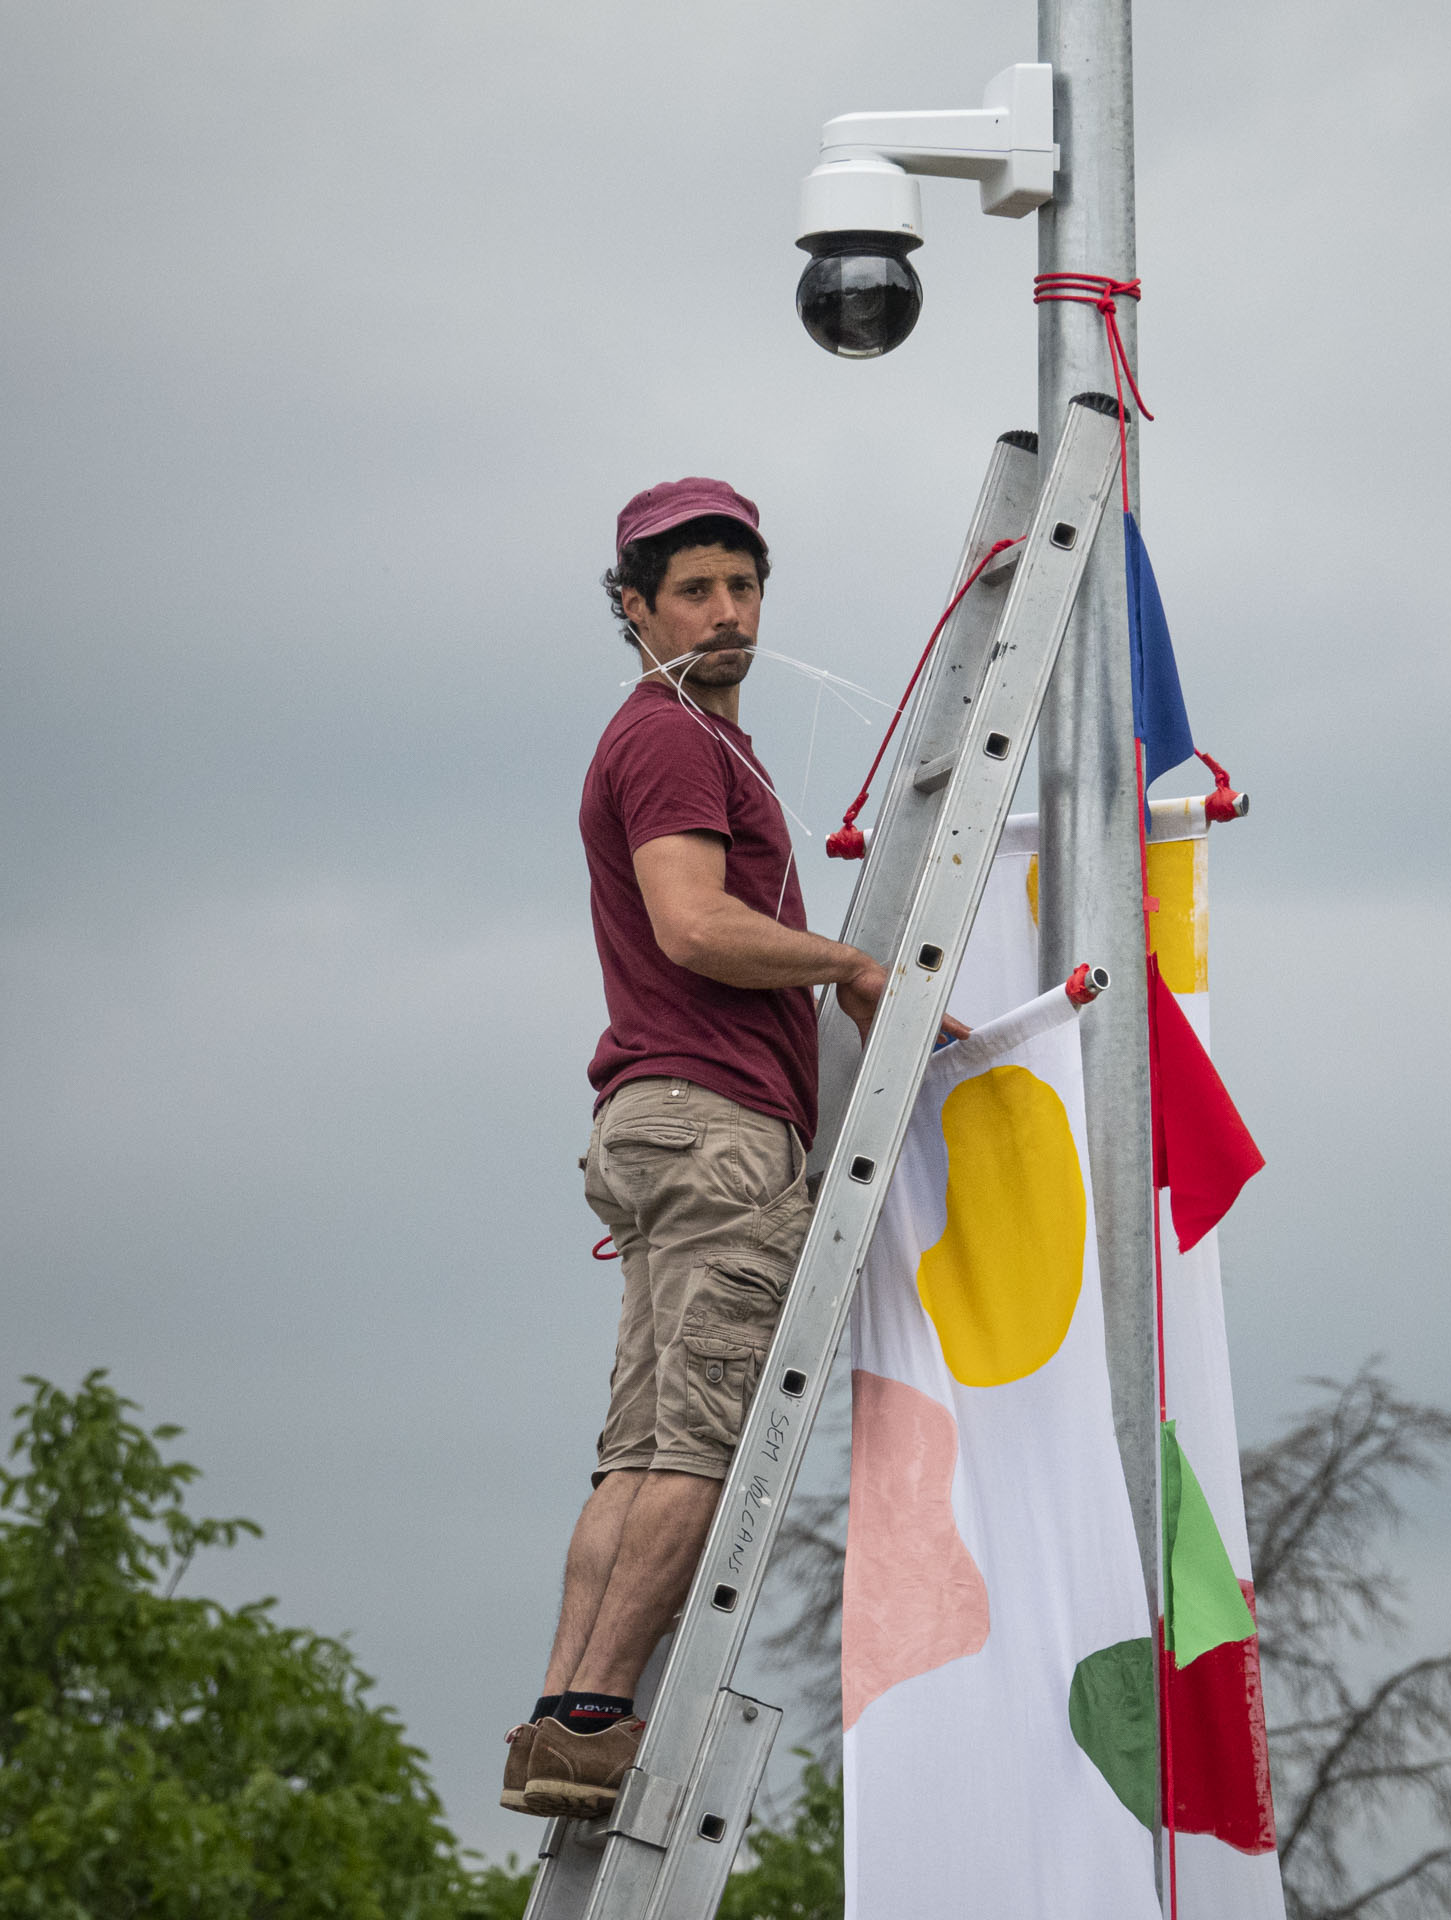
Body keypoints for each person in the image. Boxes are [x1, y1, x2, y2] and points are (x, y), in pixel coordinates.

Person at [503, 477, 909, 1818]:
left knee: (639, 1449)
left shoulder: (682, 741)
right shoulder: (672, 739)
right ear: (635, 609)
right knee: (708, 1446)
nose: (729, 611)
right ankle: (597, 1711)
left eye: (744, 586)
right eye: (695, 590)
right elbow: (692, 923)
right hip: (714, 1123)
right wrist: (852, 963)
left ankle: (563, 1724)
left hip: (661, 1123)